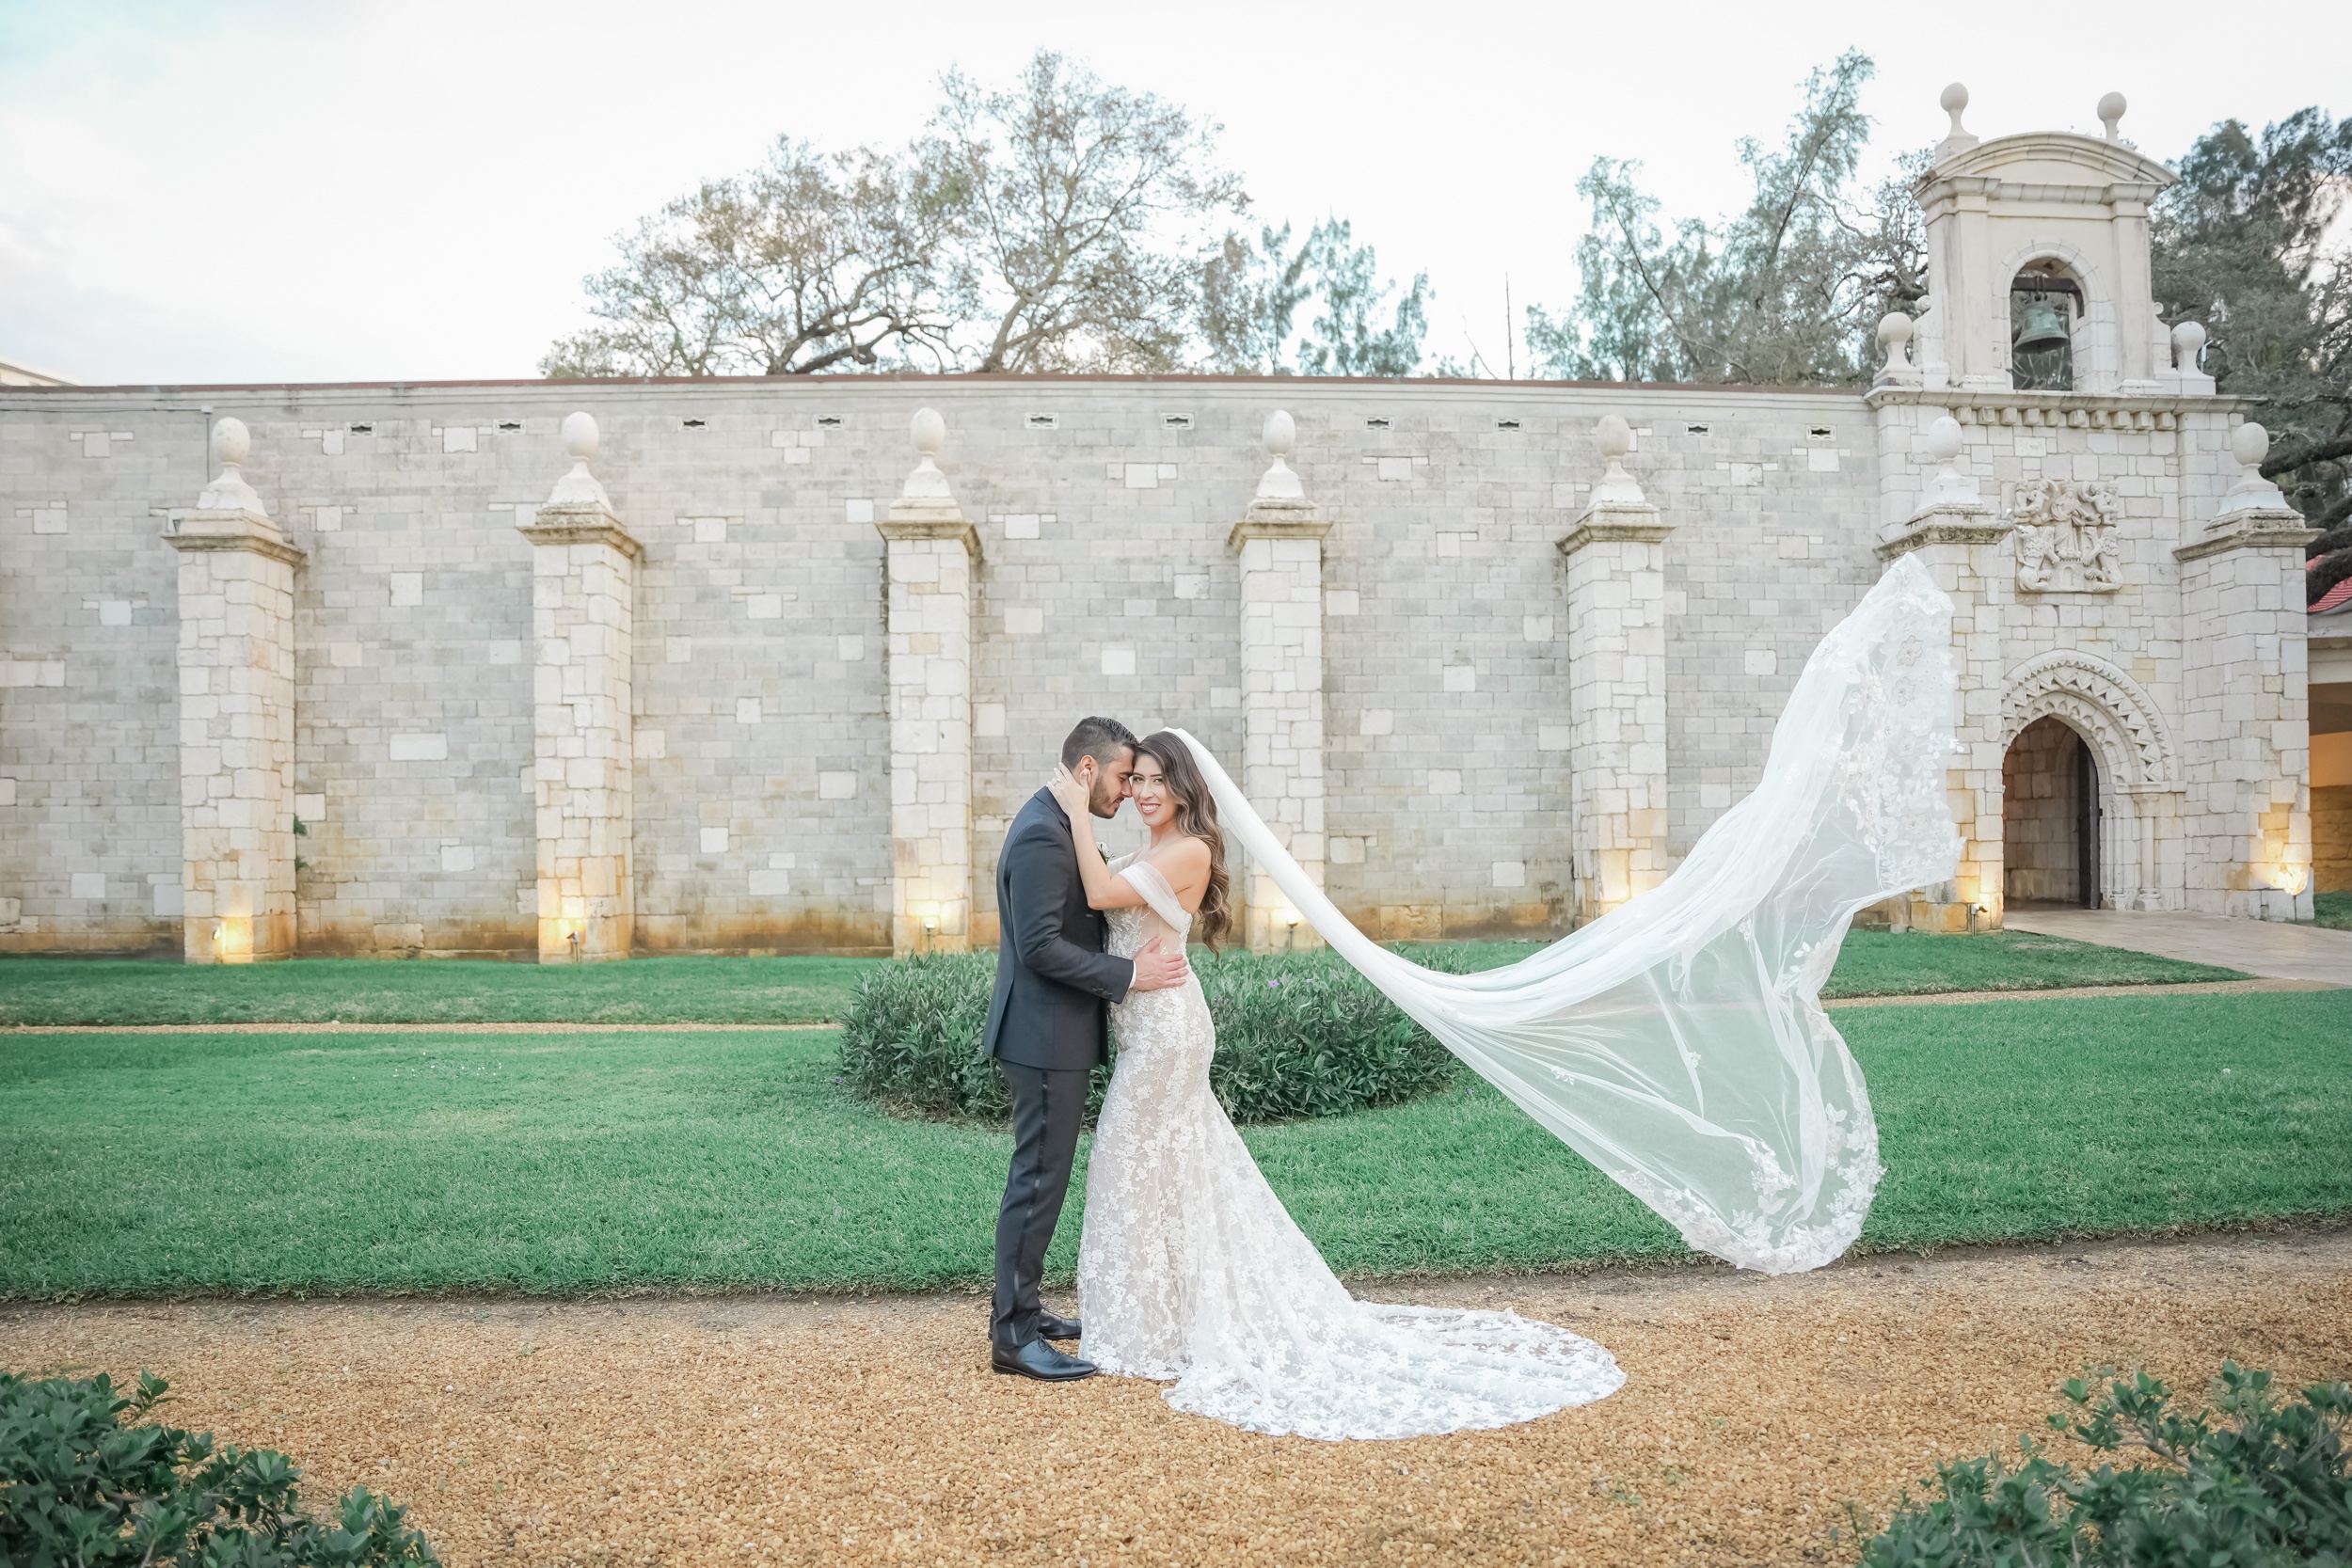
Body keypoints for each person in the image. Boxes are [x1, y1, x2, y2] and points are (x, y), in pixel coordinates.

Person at [1043, 732, 1625, 1439]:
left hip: (1167, 1030)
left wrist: (1075, 808)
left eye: (1156, 779)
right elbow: (1112, 901)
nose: (1141, 791)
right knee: (1164, 1170)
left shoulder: (1188, 848)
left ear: (1187, 787)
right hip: (1147, 1023)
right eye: (1134, 779)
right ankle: (1157, 1324)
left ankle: (1143, 1330)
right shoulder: (1149, 848)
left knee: (1127, 1162)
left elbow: (1103, 893)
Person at [984, 715, 1190, 1382]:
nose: (1128, 790)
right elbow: (1041, 946)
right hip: (1044, 1036)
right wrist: (1129, 977)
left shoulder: (1056, 822)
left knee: (1042, 1178)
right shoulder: (1045, 834)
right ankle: (1013, 1335)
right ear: (1086, 770)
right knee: (1038, 1181)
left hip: (1053, 1033)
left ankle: (1025, 1308)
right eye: (1124, 776)